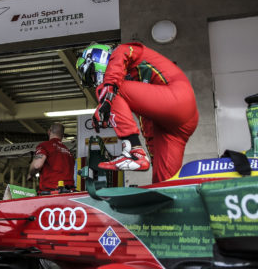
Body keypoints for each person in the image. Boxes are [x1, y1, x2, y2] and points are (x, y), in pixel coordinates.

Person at [76, 42, 199, 183]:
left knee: (107, 88)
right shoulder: (135, 83)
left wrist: (106, 98)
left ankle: (132, 150)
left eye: (92, 75)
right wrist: (153, 157)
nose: (94, 81)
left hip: (178, 97)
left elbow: (121, 55)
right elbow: (148, 125)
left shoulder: (124, 51)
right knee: (164, 183)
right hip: (179, 122)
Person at [27, 123, 75, 194]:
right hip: (69, 192)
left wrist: (30, 174)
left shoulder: (45, 145)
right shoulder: (68, 152)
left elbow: (37, 165)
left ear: (49, 131)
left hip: (51, 192)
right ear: (63, 135)